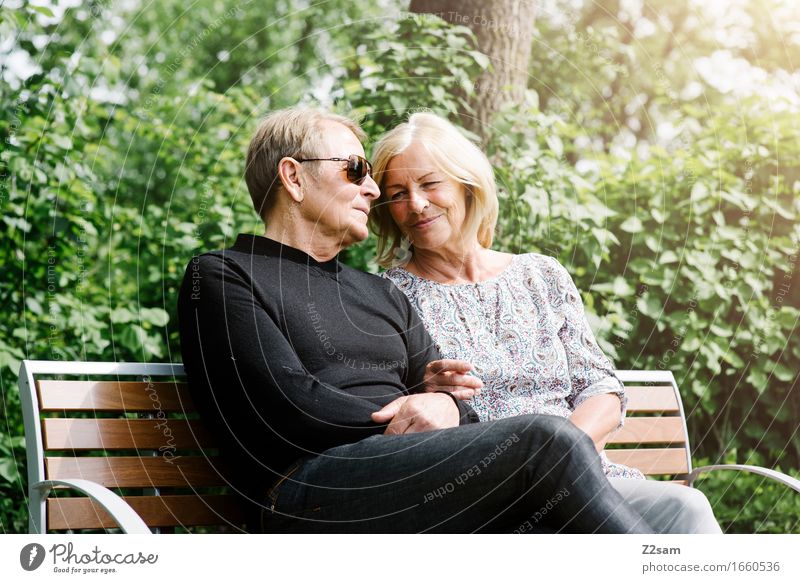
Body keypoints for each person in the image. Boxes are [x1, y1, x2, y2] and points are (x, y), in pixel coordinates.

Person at [177, 107, 654, 533]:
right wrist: (417, 408)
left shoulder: (378, 291)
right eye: (356, 169)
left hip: (417, 472)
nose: (372, 188)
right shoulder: (223, 276)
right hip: (309, 490)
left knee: (626, 497)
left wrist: (443, 405)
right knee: (543, 440)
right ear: (294, 177)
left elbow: (459, 403)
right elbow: (287, 404)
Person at [369, 111, 722, 534]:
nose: (416, 204)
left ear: (467, 184)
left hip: (588, 479)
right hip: (484, 496)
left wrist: (560, 462)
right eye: (397, 194)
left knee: (686, 509)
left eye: (429, 184)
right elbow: (396, 411)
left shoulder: (541, 274)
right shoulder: (391, 295)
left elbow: (601, 388)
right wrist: (423, 388)